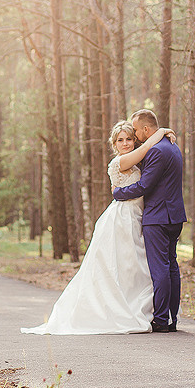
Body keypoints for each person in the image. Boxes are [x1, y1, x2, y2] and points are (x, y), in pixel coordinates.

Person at [22, 120, 176, 335]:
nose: (125, 143)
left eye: (129, 139)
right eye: (120, 140)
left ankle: (138, 307)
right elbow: (146, 148)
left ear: (134, 139)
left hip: (139, 216)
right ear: (114, 144)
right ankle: (120, 310)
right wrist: (161, 131)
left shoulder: (138, 163)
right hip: (122, 218)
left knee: (135, 266)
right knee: (124, 263)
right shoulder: (120, 161)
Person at [111, 109, 187, 333]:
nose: (133, 137)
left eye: (134, 131)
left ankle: (161, 320)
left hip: (158, 218)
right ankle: (172, 317)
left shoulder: (155, 151)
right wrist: (164, 132)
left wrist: (117, 193)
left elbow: (144, 186)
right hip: (175, 216)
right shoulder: (173, 147)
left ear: (145, 129)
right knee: (172, 267)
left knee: (160, 269)